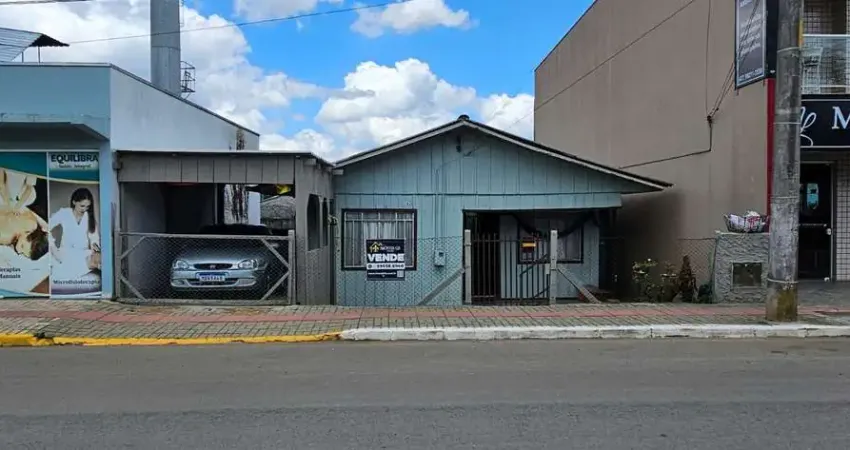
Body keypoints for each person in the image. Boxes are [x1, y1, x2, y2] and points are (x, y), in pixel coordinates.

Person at [49, 188, 101, 276]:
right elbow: (47, 226)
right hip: (65, 253)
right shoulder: (64, 213)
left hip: (82, 255)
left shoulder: (89, 217)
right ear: (74, 202)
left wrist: (95, 247)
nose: (84, 209)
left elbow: (94, 238)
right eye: (82, 206)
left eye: (87, 207)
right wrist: (51, 242)